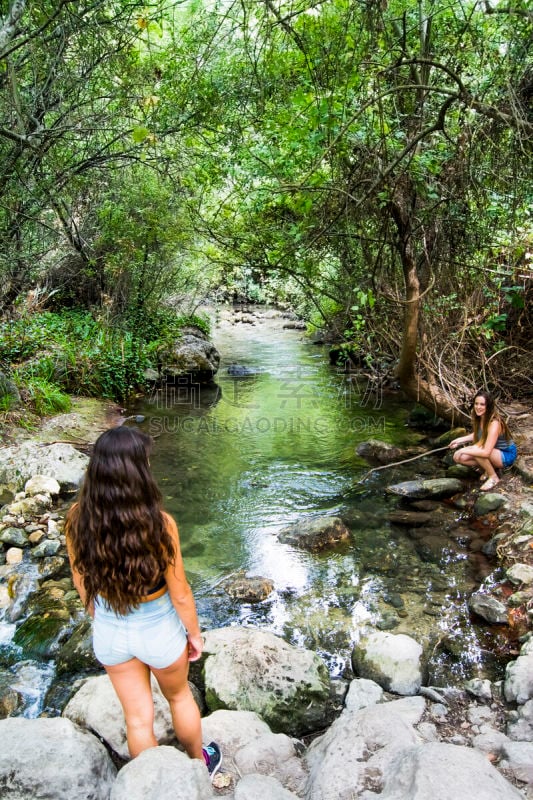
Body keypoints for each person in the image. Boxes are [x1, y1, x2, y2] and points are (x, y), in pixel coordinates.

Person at [65, 426, 221, 777]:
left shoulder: (77, 517)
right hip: (159, 631)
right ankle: (199, 764)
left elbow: (79, 577)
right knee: (179, 698)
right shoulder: (160, 524)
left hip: (110, 629)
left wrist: (97, 614)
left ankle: (151, 783)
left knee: (137, 718)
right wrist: (194, 635)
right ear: (137, 471)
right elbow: (179, 592)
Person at [449, 390, 517, 491]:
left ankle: (493, 477)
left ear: (488, 406)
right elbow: (479, 434)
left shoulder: (494, 423)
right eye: (476, 404)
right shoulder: (480, 417)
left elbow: (485, 452)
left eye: (482, 404)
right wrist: (460, 440)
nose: (478, 407)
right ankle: (489, 467)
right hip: (493, 451)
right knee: (458, 457)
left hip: (506, 454)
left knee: (478, 450)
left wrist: (463, 449)